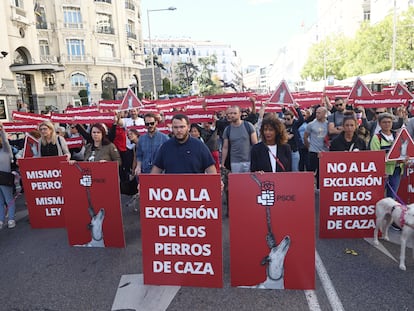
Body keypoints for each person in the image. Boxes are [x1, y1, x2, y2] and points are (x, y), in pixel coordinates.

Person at [151, 114, 216, 174]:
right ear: (172, 128)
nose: (179, 130)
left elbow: (211, 170)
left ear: (188, 127)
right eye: (175, 127)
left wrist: (216, 183)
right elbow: (155, 172)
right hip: (171, 186)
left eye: (182, 127)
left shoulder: (200, 146)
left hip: (195, 185)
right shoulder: (165, 147)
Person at [369, 112, 405, 200]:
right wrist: (392, 157)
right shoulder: (376, 138)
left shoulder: (397, 136)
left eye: (389, 122)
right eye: (384, 122)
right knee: (378, 196)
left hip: (396, 170)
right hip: (382, 172)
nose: (387, 124)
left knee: (392, 197)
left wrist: (404, 158)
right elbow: (376, 156)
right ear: (380, 124)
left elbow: (403, 151)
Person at [221, 105, 258, 173]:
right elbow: (225, 147)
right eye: (231, 113)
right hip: (234, 162)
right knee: (237, 182)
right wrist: (222, 162)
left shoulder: (248, 126)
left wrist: (257, 160)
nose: (232, 115)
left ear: (240, 114)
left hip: (248, 161)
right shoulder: (227, 130)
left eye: (235, 113)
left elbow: (255, 144)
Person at [304, 106, 329, 189]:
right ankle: (309, 189)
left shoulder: (328, 124)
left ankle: (319, 189)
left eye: (319, 113)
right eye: (316, 112)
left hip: (324, 152)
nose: (317, 114)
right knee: (311, 172)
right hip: (313, 151)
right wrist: (309, 147)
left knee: (321, 173)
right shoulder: (311, 124)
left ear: (324, 114)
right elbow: (305, 136)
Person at [0, 122, 16, 229]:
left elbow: (5, 141)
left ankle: (11, 219)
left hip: (5, 177)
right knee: (0, 201)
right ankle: (1, 220)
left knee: (9, 199)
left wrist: (2, 130)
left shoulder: (5, 149)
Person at [283, 102, 305, 171]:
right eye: (285, 119)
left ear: (292, 119)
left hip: (294, 151)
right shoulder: (282, 126)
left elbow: (301, 120)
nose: (286, 121)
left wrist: (297, 108)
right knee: (285, 170)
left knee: (295, 170)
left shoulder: (295, 125)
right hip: (284, 152)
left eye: (288, 119)